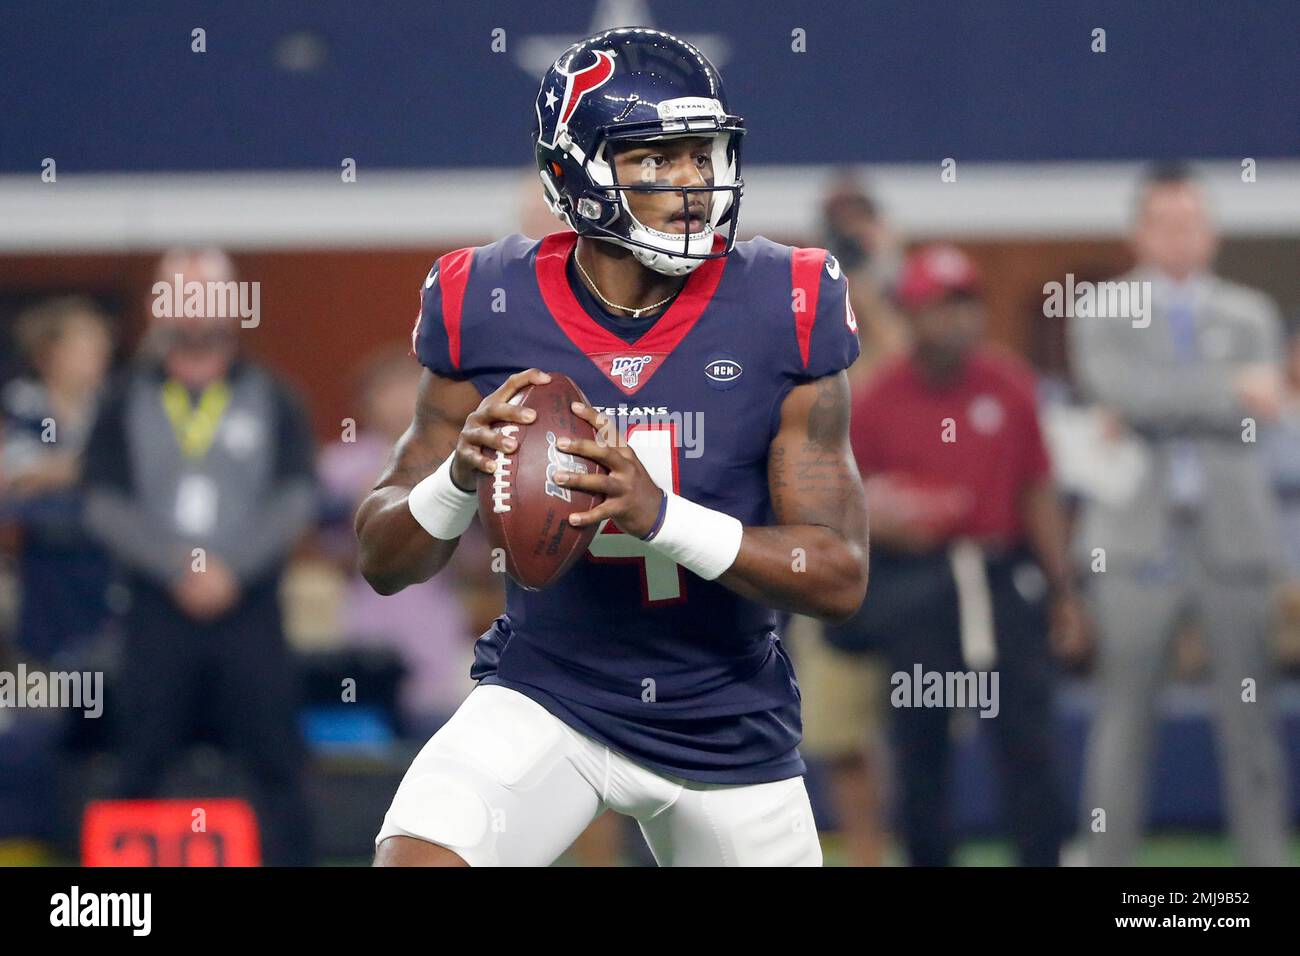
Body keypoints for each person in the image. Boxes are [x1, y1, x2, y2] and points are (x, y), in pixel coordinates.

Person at [360, 28, 868, 867]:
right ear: (576, 171)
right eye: (655, 161)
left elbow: (839, 574)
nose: (691, 185)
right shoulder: (481, 300)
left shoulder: (789, 299)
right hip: (549, 691)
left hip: (726, 720)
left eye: (699, 156)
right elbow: (383, 558)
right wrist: (456, 478)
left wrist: (660, 517)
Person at [1071, 164, 1290, 866]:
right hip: (1136, 547)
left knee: (1251, 724)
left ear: (1213, 232)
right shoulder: (1102, 309)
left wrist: (1152, 403)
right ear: (1140, 232)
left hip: (1235, 545)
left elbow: (1261, 415)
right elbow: (1125, 390)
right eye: (1165, 224)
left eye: (1192, 223)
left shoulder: (1251, 312)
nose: (1180, 238)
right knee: (1123, 719)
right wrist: (1230, 391)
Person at [81, 248, 319, 865]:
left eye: (205, 293)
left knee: (278, 763)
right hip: (156, 612)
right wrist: (178, 567)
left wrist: (231, 569)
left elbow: (295, 496)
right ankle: (113, 904)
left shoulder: (275, 396)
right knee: (138, 762)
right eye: (179, 295)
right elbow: (103, 502)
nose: (193, 308)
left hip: (251, 611)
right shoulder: (122, 397)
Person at [849, 245, 1082, 866]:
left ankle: (1044, 858)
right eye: (937, 308)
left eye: (964, 307)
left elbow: (1038, 489)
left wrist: (1063, 594)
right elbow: (846, 503)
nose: (954, 322)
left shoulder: (1008, 384)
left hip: (1002, 577)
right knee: (920, 745)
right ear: (912, 315)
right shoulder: (878, 400)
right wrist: (886, 519)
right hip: (916, 585)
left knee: (1028, 741)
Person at [1, 297, 114, 662]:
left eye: (100, 348)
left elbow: (118, 472)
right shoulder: (26, 403)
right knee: (43, 673)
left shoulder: (111, 406)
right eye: (85, 347)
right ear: (53, 353)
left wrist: (66, 470)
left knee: (100, 668)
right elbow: (17, 470)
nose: (97, 356)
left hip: (102, 559)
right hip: (44, 563)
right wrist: (78, 469)